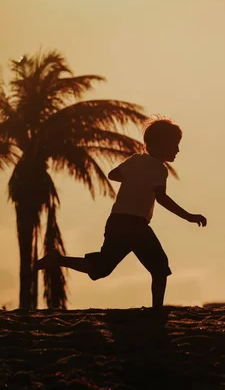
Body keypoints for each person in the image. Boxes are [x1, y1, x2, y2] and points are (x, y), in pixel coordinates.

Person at [35, 118, 207, 308]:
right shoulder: (159, 169)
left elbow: (113, 174)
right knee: (160, 268)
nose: (177, 150)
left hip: (116, 221)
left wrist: (135, 180)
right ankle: (157, 311)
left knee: (102, 267)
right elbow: (162, 199)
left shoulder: (135, 160)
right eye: (174, 145)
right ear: (160, 144)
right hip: (135, 226)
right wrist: (189, 217)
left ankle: (58, 259)